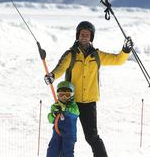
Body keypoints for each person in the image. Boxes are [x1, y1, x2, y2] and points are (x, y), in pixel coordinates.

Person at [44, 21, 133, 157]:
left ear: (91, 37)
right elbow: (60, 68)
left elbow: (117, 60)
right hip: (70, 102)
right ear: (77, 36)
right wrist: (52, 76)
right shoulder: (71, 54)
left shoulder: (97, 55)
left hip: (89, 103)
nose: (84, 36)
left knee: (92, 137)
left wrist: (126, 50)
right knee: (64, 136)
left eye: (87, 34)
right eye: (82, 34)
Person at [46, 81, 79, 157]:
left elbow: (76, 113)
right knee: (52, 150)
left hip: (69, 135)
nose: (64, 97)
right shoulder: (56, 106)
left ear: (72, 95)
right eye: (61, 95)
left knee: (67, 153)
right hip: (57, 132)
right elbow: (50, 119)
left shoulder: (73, 106)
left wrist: (65, 109)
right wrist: (54, 114)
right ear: (58, 95)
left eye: (67, 95)